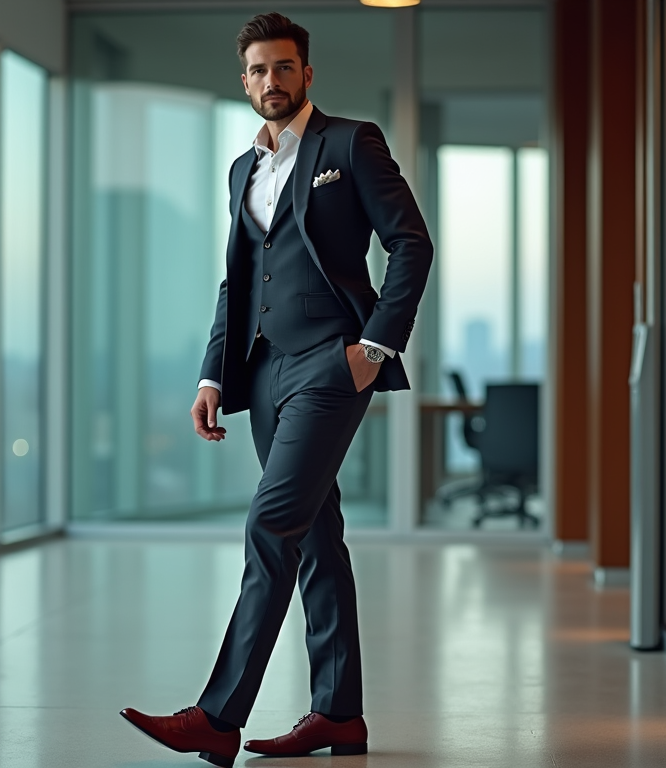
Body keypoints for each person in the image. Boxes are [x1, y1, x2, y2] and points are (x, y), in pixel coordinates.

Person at [121, 12, 432, 767]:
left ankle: (218, 716)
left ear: (307, 74)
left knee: (270, 526)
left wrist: (373, 347)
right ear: (246, 79)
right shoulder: (241, 172)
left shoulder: (349, 144)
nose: (271, 81)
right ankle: (339, 716)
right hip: (262, 377)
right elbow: (238, 283)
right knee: (316, 540)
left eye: (284, 67)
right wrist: (211, 374)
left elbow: (410, 243)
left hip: (332, 366)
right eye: (258, 70)